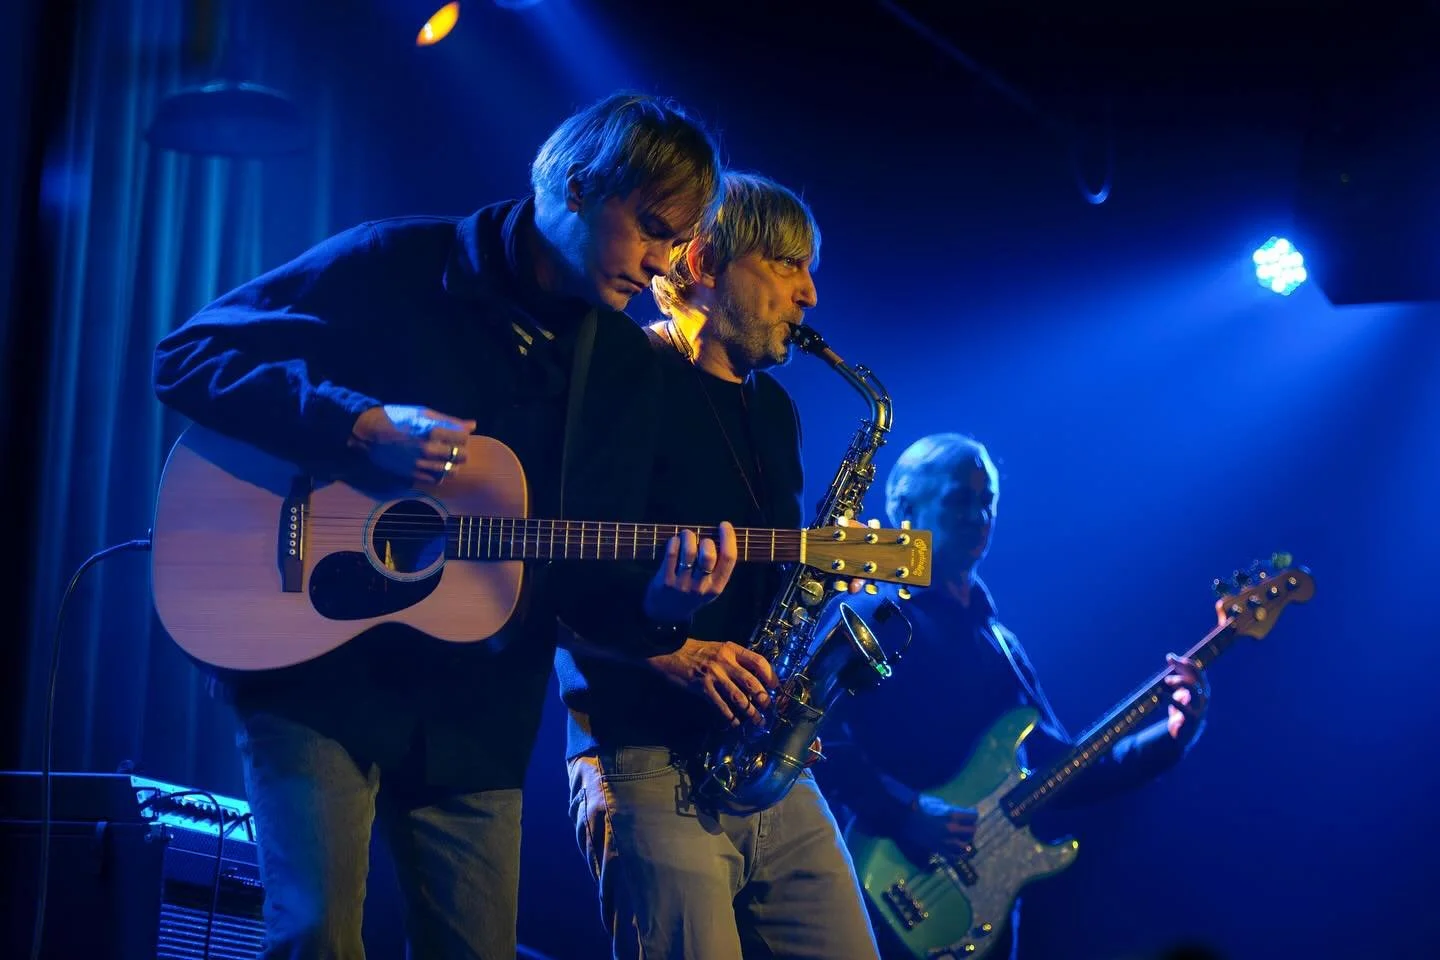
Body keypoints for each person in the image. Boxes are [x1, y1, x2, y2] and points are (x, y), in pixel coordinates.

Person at [151, 92, 735, 960]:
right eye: (650, 227)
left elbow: (578, 581)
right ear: (577, 186)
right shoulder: (396, 260)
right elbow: (187, 356)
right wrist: (354, 427)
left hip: (476, 714)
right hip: (316, 673)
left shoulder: (622, 366)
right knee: (313, 939)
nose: (658, 265)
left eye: (675, 244)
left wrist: (661, 600)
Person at [555, 171, 883, 959]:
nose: (808, 294)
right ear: (702, 263)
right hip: (644, 763)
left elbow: (768, 595)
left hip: (762, 764)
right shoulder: (620, 377)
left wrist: (815, 593)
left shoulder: (774, 411)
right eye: (785, 265)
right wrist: (675, 652)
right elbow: (545, 579)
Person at [817, 433, 1211, 960]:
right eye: (961, 498)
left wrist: (1171, 736)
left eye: (989, 501)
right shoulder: (877, 616)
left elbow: (1061, 768)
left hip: (983, 911)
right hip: (881, 881)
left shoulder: (1000, 642)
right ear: (905, 509)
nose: (979, 515)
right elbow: (817, 739)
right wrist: (904, 812)